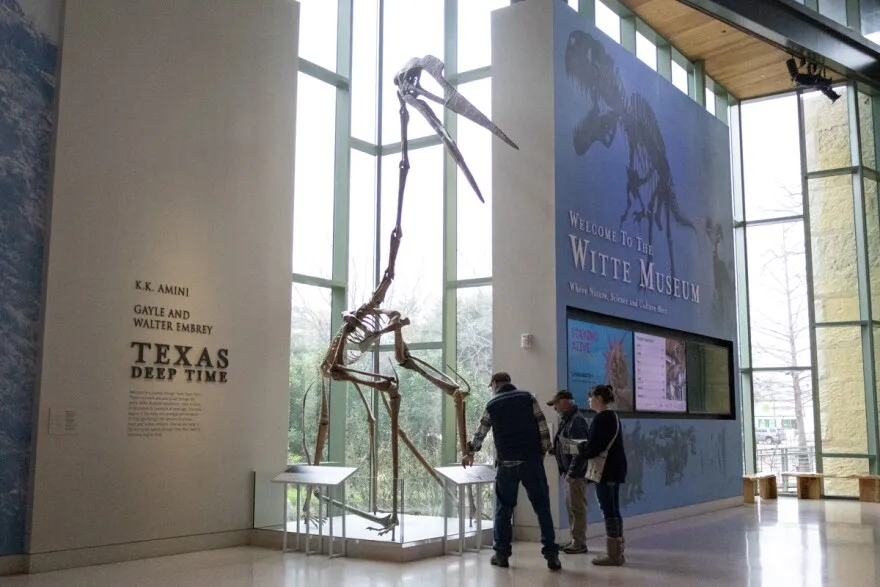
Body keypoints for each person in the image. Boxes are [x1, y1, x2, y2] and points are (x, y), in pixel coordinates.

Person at [462, 372, 561, 571]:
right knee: (542, 508)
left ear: (496, 384)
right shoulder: (528, 397)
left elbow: (481, 432)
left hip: (506, 464)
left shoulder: (493, 404)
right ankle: (552, 556)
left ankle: (501, 554)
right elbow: (542, 426)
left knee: (504, 510)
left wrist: (470, 452)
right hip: (532, 463)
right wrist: (545, 449)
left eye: (491, 385)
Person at [577, 384, 627, 566]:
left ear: (598, 398)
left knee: (608, 511)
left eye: (591, 397)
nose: (589, 401)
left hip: (605, 471)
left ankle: (612, 555)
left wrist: (581, 448)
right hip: (616, 469)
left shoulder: (601, 418)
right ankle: (619, 552)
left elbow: (593, 447)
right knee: (614, 510)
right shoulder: (614, 416)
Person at [547, 389, 591, 554]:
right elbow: (569, 445)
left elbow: (580, 450)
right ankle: (575, 539)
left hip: (575, 474)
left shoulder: (576, 422)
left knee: (577, 509)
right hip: (570, 473)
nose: (555, 408)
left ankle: (579, 543)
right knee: (572, 508)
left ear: (565, 402)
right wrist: (555, 450)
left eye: (556, 404)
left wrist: (572, 473)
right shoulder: (568, 420)